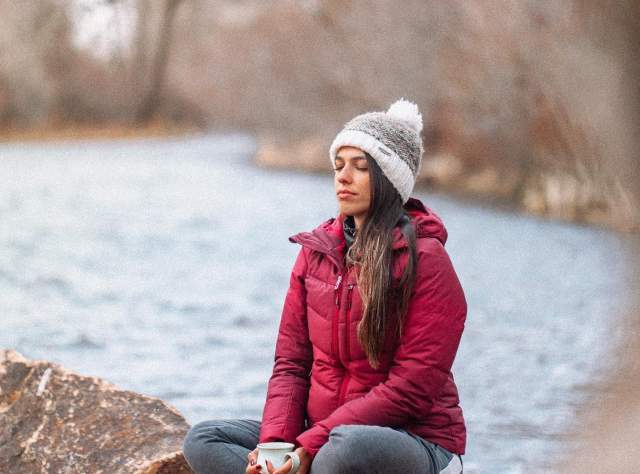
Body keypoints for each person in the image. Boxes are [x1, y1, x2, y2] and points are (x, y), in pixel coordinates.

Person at [182, 99, 467, 474]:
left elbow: (411, 388)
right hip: (318, 434)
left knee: (342, 449)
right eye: (338, 166)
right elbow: (291, 364)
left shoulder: (427, 260)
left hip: (406, 435)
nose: (343, 177)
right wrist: (276, 447)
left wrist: (308, 447)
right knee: (204, 440)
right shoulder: (316, 254)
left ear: (389, 179)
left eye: (360, 167)